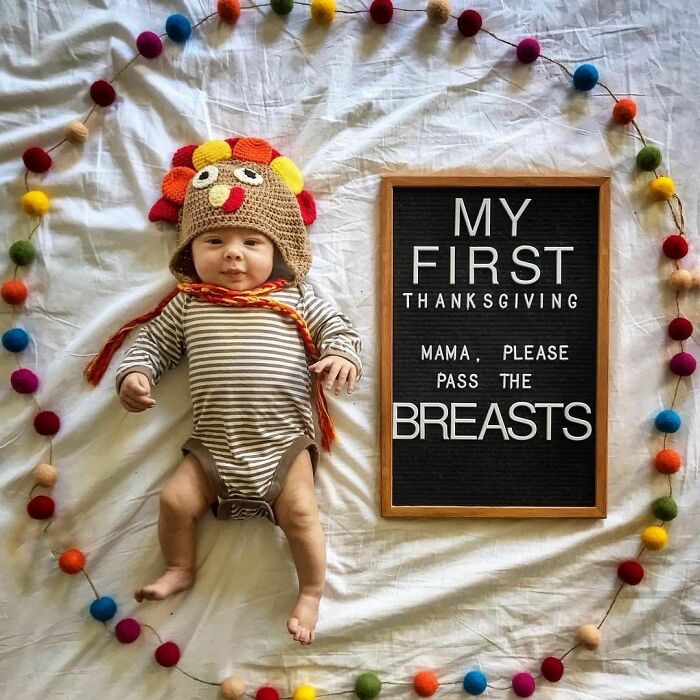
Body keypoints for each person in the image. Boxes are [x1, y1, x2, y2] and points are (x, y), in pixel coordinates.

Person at [88, 136, 362, 646]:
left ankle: (311, 590)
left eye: (251, 243)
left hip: (283, 443)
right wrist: (135, 375)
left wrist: (342, 355)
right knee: (174, 500)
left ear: (277, 252)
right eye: (214, 242)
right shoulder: (189, 305)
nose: (233, 254)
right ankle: (180, 565)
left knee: (301, 514)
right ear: (191, 251)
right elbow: (152, 343)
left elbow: (338, 327)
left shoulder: (294, 298)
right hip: (213, 446)